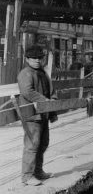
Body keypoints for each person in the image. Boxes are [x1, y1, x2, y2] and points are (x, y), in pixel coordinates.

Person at [18, 45, 57, 186]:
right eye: (33, 58)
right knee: (32, 144)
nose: (37, 60)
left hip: (43, 114)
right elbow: (28, 92)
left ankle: (38, 171)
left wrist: (53, 101)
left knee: (43, 143)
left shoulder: (43, 73)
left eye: (39, 58)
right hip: (32, 115)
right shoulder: (25, 73)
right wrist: (45, 101)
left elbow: (51, 90)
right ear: (27, 59)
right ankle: (27, 176)